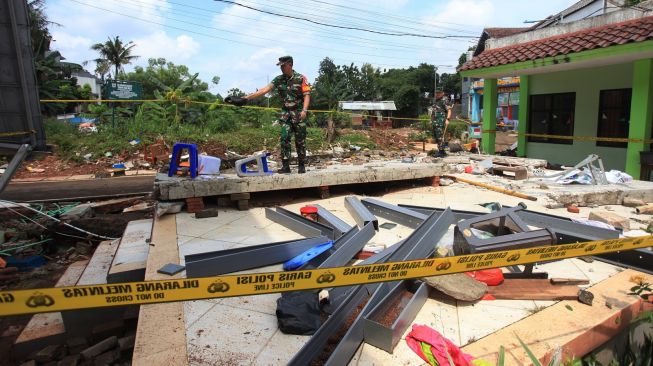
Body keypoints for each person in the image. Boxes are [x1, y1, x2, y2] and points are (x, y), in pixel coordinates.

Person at [243, 56, 311, 174]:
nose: (281, 68)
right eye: (280, 66)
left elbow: (307, 95)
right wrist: (246, 98)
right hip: (286, 114)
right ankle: (286, 166)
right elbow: (264, 90)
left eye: (283, 66)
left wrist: (304, 110)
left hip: (299, 113)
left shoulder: (301, 78)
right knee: (284, 139)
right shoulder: (278, 79)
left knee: (300, 140)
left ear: (290, 64)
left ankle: (301, 165)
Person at [430, 90, 452, 157]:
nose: (437, 94)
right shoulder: (435, 101)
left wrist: (448, 119)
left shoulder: (444, 100)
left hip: (441, 122)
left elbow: (449, 110)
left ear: (442, 93)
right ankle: (440, 150)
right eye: (436, 93)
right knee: (436, 136)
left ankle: (442, 151)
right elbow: (433, 112)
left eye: (439, 93)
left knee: (440, 136)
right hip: (435, 122)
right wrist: (431, 120)